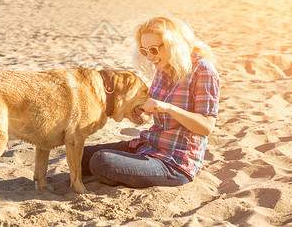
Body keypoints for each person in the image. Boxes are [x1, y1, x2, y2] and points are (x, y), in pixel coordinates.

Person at [82, 16, 220, 188]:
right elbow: (151, 114)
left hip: (175, 162)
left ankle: (121, 175)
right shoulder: (163, 68)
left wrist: (169, 108)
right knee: (80, 156)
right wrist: (142, 115)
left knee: (101, 161)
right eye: (144, 51)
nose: (149, 57)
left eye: (153, 49)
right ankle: (121, 174)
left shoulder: (203, 70)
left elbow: (206, 127)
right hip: (149, 145)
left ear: (173, 43)